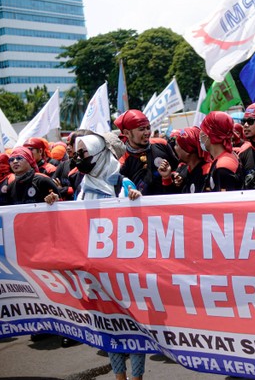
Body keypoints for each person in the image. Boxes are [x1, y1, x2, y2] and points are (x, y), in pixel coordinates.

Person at [73, 133, 144, 380]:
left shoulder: (124, 185)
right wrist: (52, 205)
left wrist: (137, 202)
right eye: (76, 153)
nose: (78, 158)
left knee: (134, 329)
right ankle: (119, 377)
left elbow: (142, 225)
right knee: (109, 329)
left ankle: (136, 377)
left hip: (124, 272)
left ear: (99, 154)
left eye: (83, 153)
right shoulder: (81, 190)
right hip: (96, 273)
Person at [114, 109, 178, 195]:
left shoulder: (162, 144)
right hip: (140, 207)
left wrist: (175, 175)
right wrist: (130, 192)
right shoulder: (121, 160)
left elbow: (178, 167)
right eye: (141, 129)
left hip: (168, 202)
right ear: (126, 133)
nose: (147, 132)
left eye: (148, 128)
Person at [159, 126, 212, 193]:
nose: (174, 148)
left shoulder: (207, 173)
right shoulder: (183, 172)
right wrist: (166, 178)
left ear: (187, 151)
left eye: (176, 145)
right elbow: (176, 200)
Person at [199, 111, 242, 191]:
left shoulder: (223, 166)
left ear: (209, 134)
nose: (200, 133)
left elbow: (226, 202)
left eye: (202, 129)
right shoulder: (222, 160)